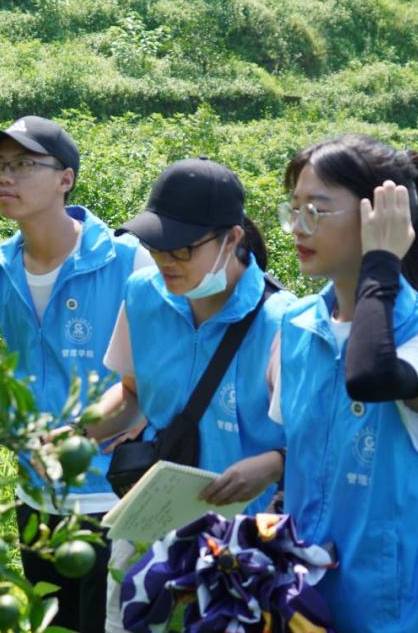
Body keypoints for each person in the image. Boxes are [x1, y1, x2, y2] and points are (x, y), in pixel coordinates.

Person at [270, 134, 418, 632]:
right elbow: (301, 459)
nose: (298, 227)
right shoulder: (298, 326)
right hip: (309, 611)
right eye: (294, 209)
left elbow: (369, 375)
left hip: (406, 616)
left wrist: (381, 262)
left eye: (316, 211)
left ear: (377, 217)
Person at [78, 157, 294, 632]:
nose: (166, 263)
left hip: (244, 541)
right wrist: (76, 433)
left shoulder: (283, 322)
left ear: (231, 240)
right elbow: (132, 393)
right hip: (152, 521)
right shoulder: (144, 293)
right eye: (156, 248)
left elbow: (317, 441)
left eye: (182, 250)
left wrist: (274, 463)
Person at [0, 115, 151, 633]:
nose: (5, 177)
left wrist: (135, 409)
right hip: (35, 491)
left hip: (113, 490)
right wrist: (3, 397)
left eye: (24, 164)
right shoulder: (1, 263)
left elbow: (166, 350)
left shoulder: (124, 258)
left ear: (66, 179)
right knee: (53, 622)